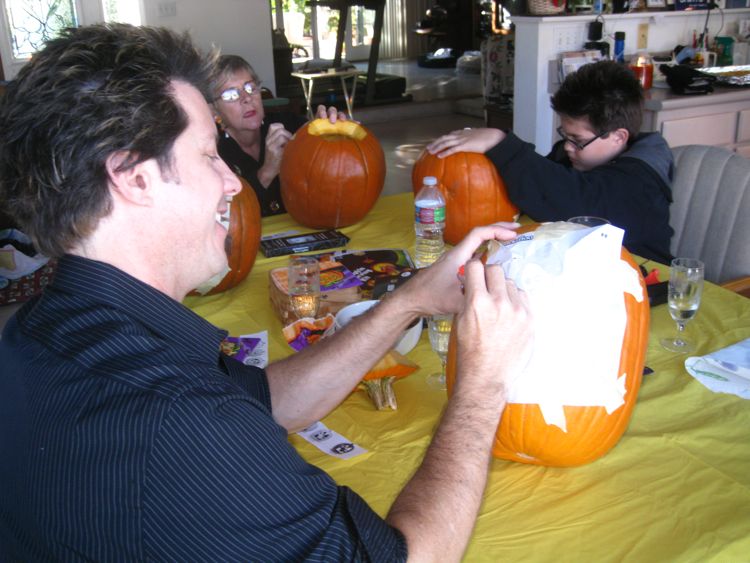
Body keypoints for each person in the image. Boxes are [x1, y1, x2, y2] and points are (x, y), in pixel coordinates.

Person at [0, 24, 533, 561]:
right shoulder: (187, 425)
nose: (233, 182)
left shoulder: (33, 329)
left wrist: (408, 301)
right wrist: (482, 386)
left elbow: (266, 400)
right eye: (209, 156)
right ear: (134, 178)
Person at [427, 60, 674, 264]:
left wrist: (501, 143)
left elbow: (575, 202)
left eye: (577, 139)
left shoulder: (641, 185)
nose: (567, 146)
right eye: (564, 135)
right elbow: (537, 190)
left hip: (641, 277)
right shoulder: (576, 155)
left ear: (618, 137)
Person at [212, 54, 342, 217]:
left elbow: (332, 176)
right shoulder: (213, 153)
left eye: (250, 88)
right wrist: (267, 171)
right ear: (214, 110)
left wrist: (327, 132)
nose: (247, 98)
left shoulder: (287, 125)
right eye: (231, 95)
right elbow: (225, 217)